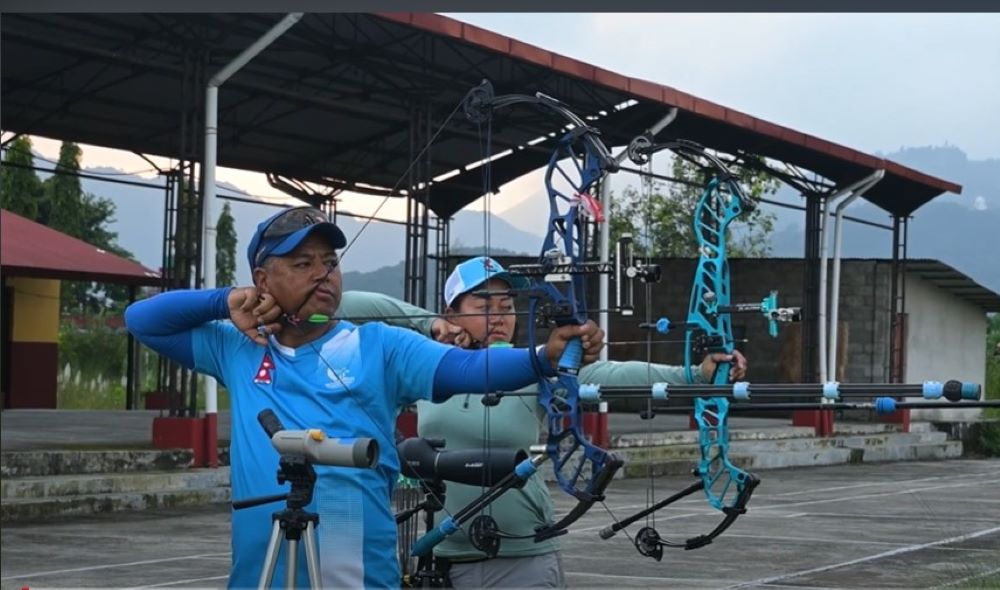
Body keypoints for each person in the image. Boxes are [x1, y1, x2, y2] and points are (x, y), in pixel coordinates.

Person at [123, 207, 605, 589]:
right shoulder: (236, 346)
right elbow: (143, 320)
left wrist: (544, 356)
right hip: (262, 569)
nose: (323, 275)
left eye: (330, 263)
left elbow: (466, 367)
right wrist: (224, 301)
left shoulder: (379, 346)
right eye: (302, 263)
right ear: (263, 280)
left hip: (356, 571)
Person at [338, 255, 748, 589]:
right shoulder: (421, 366)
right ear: (452, 312)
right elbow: (344, 305)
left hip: (523, 558)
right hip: (441, 557)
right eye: (483, 307)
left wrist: (692, 375)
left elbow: (611, 376)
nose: (499, 317)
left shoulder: (532, 365)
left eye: (507, 307)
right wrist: (428, 324)